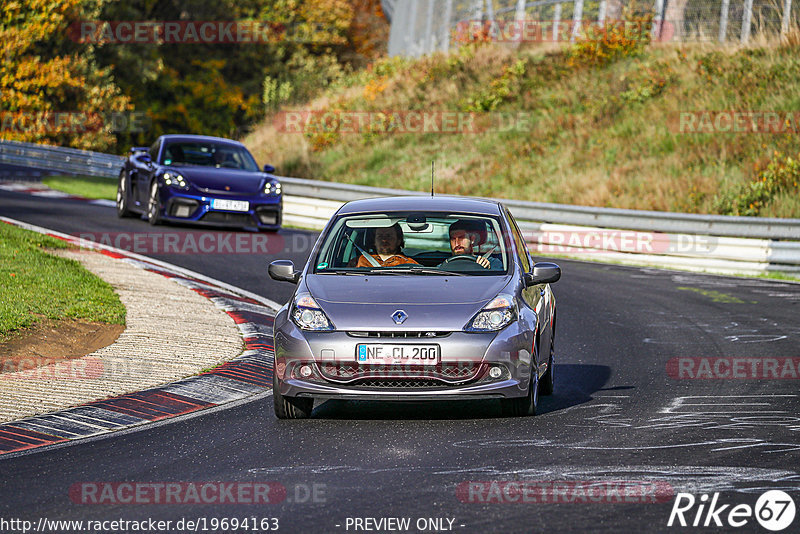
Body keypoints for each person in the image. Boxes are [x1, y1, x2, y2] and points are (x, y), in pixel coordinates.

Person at [355, 223, 420, 267]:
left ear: (398, 241)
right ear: (374, 241)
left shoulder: (409, 264)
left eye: (389, 236)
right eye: (380, 236)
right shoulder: (359, 261)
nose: (384, 240)